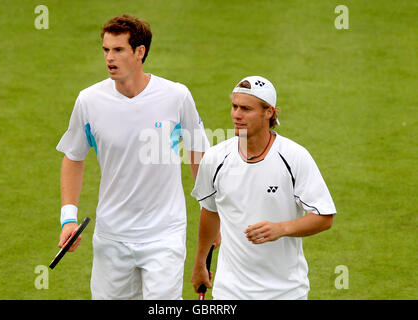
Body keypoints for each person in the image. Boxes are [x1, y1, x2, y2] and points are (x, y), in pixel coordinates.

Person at [56, 14, 210, 300]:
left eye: (118, 50)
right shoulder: (89, 101)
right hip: (112, 236)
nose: (109, 58)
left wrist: (212, 212)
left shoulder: (176, 97)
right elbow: (74, 157)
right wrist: (68, 218)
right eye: (105, 50)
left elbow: (198, 155)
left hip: (165, 234)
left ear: (140, 52)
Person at [190, 76, 337, 300]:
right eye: (234, 106)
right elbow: (209, 212)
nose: (237, 115)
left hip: (285, 292)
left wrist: (281, 229)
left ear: (268, 112)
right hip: (230, 292)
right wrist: (200, 263)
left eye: (246, 109)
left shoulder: (294, 157)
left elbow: (324, 216)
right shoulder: (215, 158)